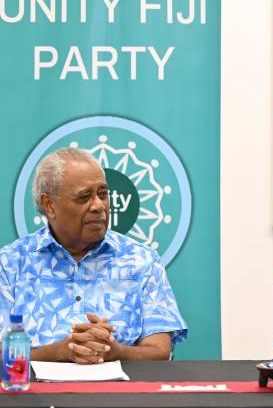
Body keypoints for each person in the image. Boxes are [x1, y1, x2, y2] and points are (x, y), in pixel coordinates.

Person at [0, 148, 187, 363]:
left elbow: (160, 351)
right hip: (34, 395)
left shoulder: (141, 260)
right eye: (84, 197)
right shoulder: (11, 263)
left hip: (123, 395)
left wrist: (116, 352)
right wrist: (58, 353)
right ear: (49, 205)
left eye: (103, 194)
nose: (99, 206)